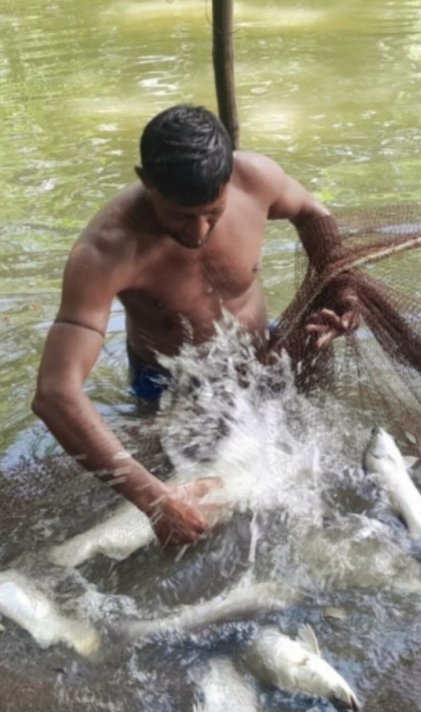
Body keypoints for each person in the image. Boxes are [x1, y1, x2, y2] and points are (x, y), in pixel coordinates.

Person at [32, 104, 357, 547]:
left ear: (227, 183)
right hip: (170, 382)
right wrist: (152, 499)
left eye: (212, 212)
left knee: (315, 445)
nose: (198, 230)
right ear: (146, 182)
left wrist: (341, 291)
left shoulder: (255, 179)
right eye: (180, 215)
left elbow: (313, 212)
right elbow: (55, 394)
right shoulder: (105, 251)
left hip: (263, 352)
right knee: (187, 510)